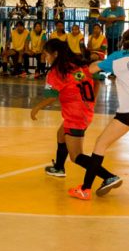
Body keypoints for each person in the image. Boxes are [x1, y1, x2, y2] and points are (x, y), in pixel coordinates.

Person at [72, 27, 129, 201]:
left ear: (124, 41)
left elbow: (92, 69)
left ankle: (85, 189)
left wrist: (94, 62)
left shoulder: (118, 56)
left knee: (101, 144)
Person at [31, 39, 121, 194]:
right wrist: (91, 101)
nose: (44, 58)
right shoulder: (79, 65)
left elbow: (51, 96)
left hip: (75, 116)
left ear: (55, 54)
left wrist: (36, 108)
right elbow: (97, 82)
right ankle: (59, 167)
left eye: (46, 54)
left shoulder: (56, 72)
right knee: (61, 134)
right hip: (84, 111)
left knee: (76, 156)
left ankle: (109, 176)